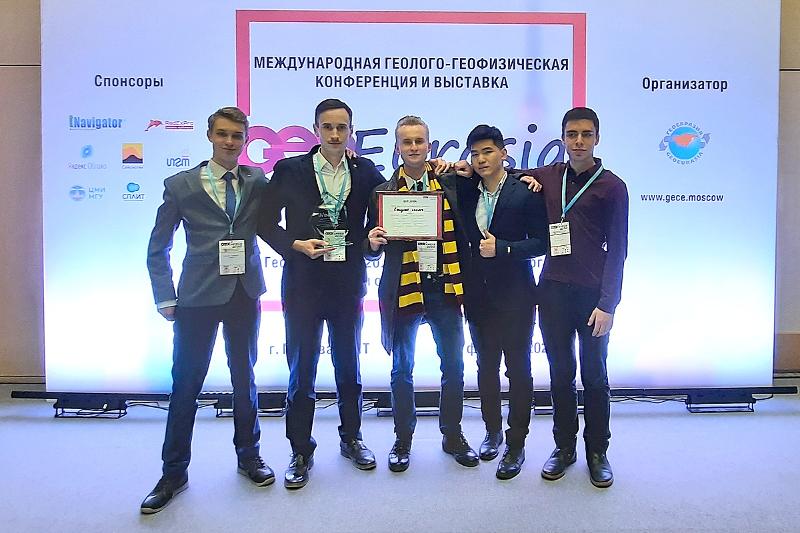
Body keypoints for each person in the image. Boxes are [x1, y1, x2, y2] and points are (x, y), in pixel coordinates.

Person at [143, 106, 271, 514]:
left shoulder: (257, 180)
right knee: (186, 384)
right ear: (210, 135)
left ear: (246, 139)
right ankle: (173, 472)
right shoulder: (180, 185)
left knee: (244, 379)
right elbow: (158, 247)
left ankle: (249, 457)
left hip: (244, 293)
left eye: (237, 135)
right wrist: (165, 297)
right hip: (196, 297)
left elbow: (295, 187)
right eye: (223, 134)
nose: (230, 142)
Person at [258, 98, 385, 489]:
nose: (334, 134)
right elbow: (264, 221)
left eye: (341, 127)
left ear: (351, 131)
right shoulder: (290, 169)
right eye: (327, 127)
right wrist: (294, 245)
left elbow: (381, 218)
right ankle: (300, 450)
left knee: (349, 366)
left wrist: (371, 243)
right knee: (302, 370)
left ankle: (352, 438)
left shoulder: (366, 171)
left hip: (348, 283)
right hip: (303, 283)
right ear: (315, 130)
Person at [523, 107, 629, 488]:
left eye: (586, 134)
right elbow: (504, 174)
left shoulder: (612, 187)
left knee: (594, 376)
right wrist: (458, 166)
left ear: (597, 138)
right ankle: (564, 447)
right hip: (552, 291)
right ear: (563, 138)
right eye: (572, 134)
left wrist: (608, 304)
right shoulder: (549, 176)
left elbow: (618, 249)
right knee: (560, 374)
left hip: (592, 296)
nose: (579, 141)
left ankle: (597, 451)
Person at [366, 116, 478, 472]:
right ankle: (403, 438)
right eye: (407, 142)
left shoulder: (450, 182)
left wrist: (467, 168)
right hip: (404, 288)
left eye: (419, 141)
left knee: (454, 366)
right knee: (402, 370)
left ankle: (452, 435)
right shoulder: (382, 192)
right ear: (397, 147)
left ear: (429, 144)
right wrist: (371, 243)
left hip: (445, 286)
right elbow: (371, 246)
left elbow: (493, 172)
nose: (413, 147)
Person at [454, 125, 548, 479]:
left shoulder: (525, 190)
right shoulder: (466, 190)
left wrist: (504, 248)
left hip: (517, 295)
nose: (481, 159)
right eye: (475, 154)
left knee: (518, 370)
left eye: (488, 152)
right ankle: (492, 432)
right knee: (486, 368)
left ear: (503, 153)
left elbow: (542, 242)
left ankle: (516, 443)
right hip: (477, 295)